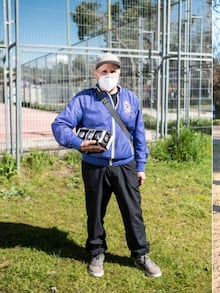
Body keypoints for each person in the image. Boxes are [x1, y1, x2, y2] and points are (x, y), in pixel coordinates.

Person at [51, 52, 161, 278]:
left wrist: (141, 166)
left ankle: (140, 254)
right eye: (104, 71)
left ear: (119, 73)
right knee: (95, 212)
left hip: (125, 165)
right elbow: (60, 124)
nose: (109, 75)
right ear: (96, 74)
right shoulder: (83, 99)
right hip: (95, 167)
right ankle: (96, 253)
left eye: (113, 71)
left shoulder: (131, 99)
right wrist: (79, 143)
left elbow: (139, 135)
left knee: (133, 212)